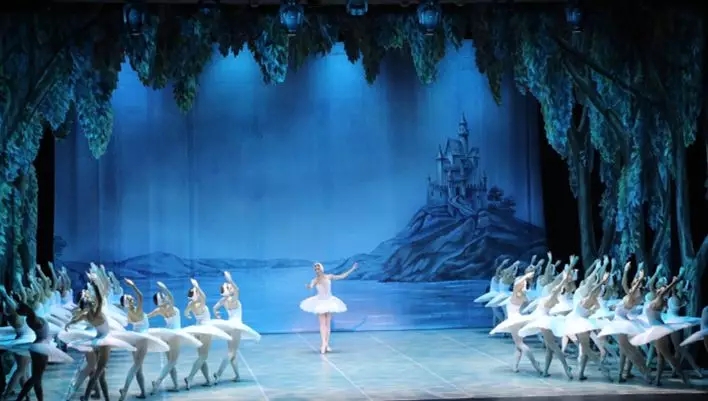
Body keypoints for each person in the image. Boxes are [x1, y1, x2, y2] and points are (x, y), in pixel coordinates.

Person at [64, 272, 136, 401]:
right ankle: (86, 396)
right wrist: (95, 284)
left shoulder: (86, 315)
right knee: (99, 371)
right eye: (90, 302)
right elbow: (100, 298)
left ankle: (106, 398)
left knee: (101, 374)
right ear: (89, 305)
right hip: (104, 340)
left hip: (97, 340)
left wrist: (69, 323)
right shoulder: (96, 312)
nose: (92, 302)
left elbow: (75, 320)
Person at [3, 288, 73, 401]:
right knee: (35, 378)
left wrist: (18, 300)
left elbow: (27, 306)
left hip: (39, 346)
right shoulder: (32, 319)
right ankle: (20, 398)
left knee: (36, 378)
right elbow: (29, 309)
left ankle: (34, 399)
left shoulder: (31, 317)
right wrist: (9, 297)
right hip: (40, 348)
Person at [118, 278, 170, 401]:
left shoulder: (129, 313)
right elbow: (140, 296)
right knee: (136, 366)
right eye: (129, 298)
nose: (132, 297)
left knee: (138, 368)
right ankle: (125, 389)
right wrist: (132, 285)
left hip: (134, 338)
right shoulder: (137, 309)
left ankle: (142, 392)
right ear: (128, 303)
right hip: (142, 339)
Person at [147, 281, 203, 394]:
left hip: (166, 335)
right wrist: (164, 288)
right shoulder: (170, 307)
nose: (165, 297)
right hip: (175, 335)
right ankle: (158, 381)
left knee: (170, 362)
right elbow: (171, 297)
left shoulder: (159, 310)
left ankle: (176, 385)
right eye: (163, 297)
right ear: (162, 301)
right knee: (172, 362)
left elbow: (146, 316)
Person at [210, 271, 261, 384]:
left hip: (229, 326)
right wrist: (230, 279)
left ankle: (237, 375)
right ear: (228, 290)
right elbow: (237, 289)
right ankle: (218, 373)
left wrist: (217, 315)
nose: (231, 287)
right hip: (236, 326)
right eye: (229, 287)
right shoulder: (233, 299)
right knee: (232, 352)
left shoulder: (224, 301)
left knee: (233, 353)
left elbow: (214, 308)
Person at [182, 278, 231, 389]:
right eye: (197, 292)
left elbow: (186, 313)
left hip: (197, 330)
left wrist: (188, 315)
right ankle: (190, 377)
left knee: (201, 357)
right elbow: (204, 296)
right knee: (203, 356)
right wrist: (197, 286)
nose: (199, 293)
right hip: (205, 330)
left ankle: (208, 380)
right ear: (196, 295)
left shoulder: (190, 304)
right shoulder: (200, 304)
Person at [300, 262, 357, 354]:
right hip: (320, 302)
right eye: (315, 269)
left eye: (318, 268)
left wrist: (352, 269)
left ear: (321, 269)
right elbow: (310, 286)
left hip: (329, 301)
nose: (317, 270)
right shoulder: (315, 280)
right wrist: (308, 286)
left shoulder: (328, 276)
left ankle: (326, 344)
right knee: (322, 324)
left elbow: (341, 276)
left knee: (328, 324)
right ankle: (323, 344)